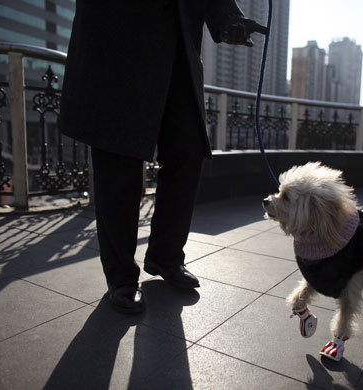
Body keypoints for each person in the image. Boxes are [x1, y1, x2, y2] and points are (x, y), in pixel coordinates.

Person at [60, 0, 266, 314]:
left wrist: (226, 16)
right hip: (118, 38)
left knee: (188, 150)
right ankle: (121, 278)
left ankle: (165, 256)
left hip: (179, 43)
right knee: (119, 159)